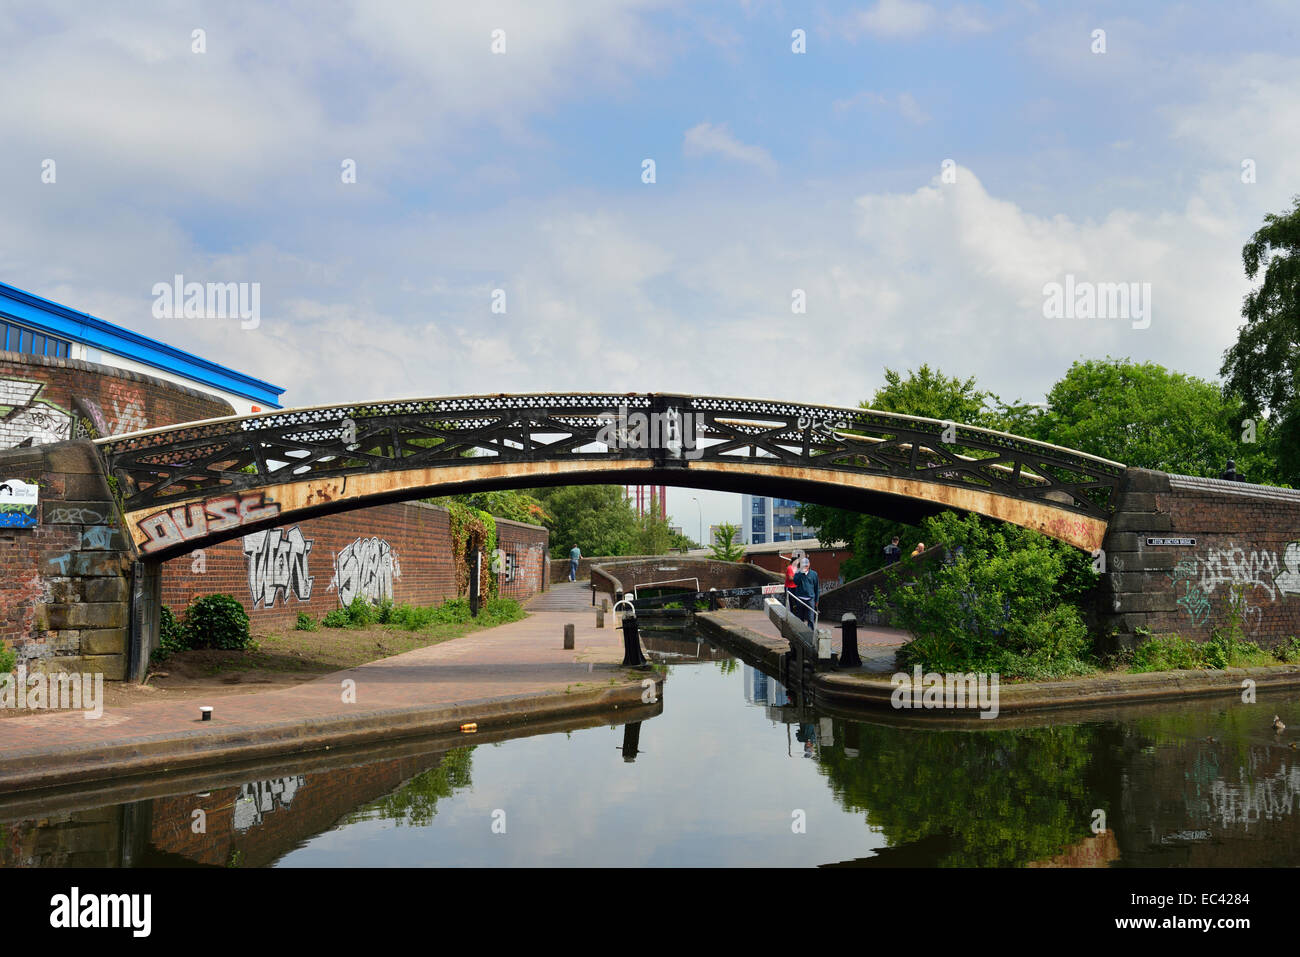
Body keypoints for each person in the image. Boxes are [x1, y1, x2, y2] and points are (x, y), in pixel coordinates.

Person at [794, 557, 820, 627]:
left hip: (810, 599)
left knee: (810, 618)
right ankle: (800, 633)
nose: (805, 566)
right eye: (803, 565)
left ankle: (810, 634)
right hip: (800, 598)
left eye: (806, 565)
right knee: (800, 618)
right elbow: (795, 582)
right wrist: (801, 574)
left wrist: (817, 601)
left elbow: (817, 588)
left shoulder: (814, 574)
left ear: (809, 564)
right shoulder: (798, 573)